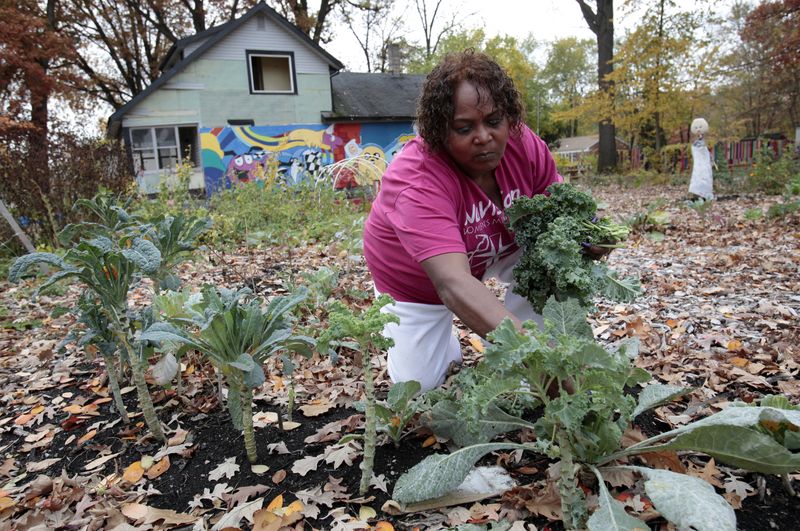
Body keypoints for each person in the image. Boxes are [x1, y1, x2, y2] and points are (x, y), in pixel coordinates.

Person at [363, 50, 564, 392]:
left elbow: (559, 214)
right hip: (417, 280)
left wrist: (589, 237)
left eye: (494, 121)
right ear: (439, 131)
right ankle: (450, 342)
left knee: (551, 262)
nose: (484, 136)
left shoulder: (523, 144)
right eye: (464, 127)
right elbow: (453, 283)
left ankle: (528, 364)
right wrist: (537, 357)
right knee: (419, 388)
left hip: (495, 246)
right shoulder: (417, 178)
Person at [688, 117, 714, 200]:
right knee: (698, 176)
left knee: (705, 175)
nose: (698, 129)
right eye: (696, 128)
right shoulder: (695, 141)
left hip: (704, 162)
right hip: (698, 162)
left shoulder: (706, 140)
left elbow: (707, 149)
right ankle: (697, 194)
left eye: (700, 127)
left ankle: (705, 194)